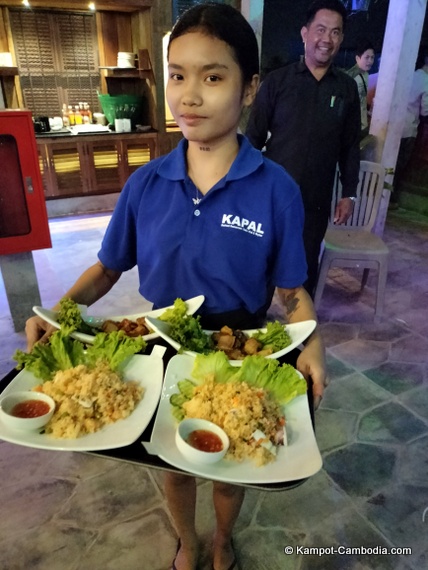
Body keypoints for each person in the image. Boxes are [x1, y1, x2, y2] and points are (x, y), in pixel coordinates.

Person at [25, 4, 327, 570]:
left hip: (240, 350)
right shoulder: (146, 184)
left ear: (249, 88)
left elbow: (292, 292)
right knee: (172, 461)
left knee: (231, 463)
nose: (189, 95)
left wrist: (311, 341)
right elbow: (107, 269)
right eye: (177, 74)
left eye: (213, 77)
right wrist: (58, 312)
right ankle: (188, 539)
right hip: (162, 342)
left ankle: (222, 538)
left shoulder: (276, 189)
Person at [246, 0, 361, 298]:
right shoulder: (277, 82)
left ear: (341, 39)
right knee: (261, 261)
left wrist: (349, 193)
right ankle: (254, 322)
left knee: (305, 264)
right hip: (273, 194)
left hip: (316, 198)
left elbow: (350, 146)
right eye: (321, 30)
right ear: (305, 33)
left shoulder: (346, 88)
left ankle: (301, 330)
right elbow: (253, 138)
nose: (327, 39)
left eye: (335, 32)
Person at [390, 50, 428, 208]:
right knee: (400, 167)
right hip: (409, 129)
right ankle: (391, 200)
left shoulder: (410, 75)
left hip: (393, 126)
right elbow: (426, 110)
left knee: (391, 164)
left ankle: (385, 198)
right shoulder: (426, 81)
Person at [346, 39, 375, 136]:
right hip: (353, 126)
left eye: (372, 57)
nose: (370, 61)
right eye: (367, 57)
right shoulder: (351, 77)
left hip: (362, 124)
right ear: (357, 58)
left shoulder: (366, 74)